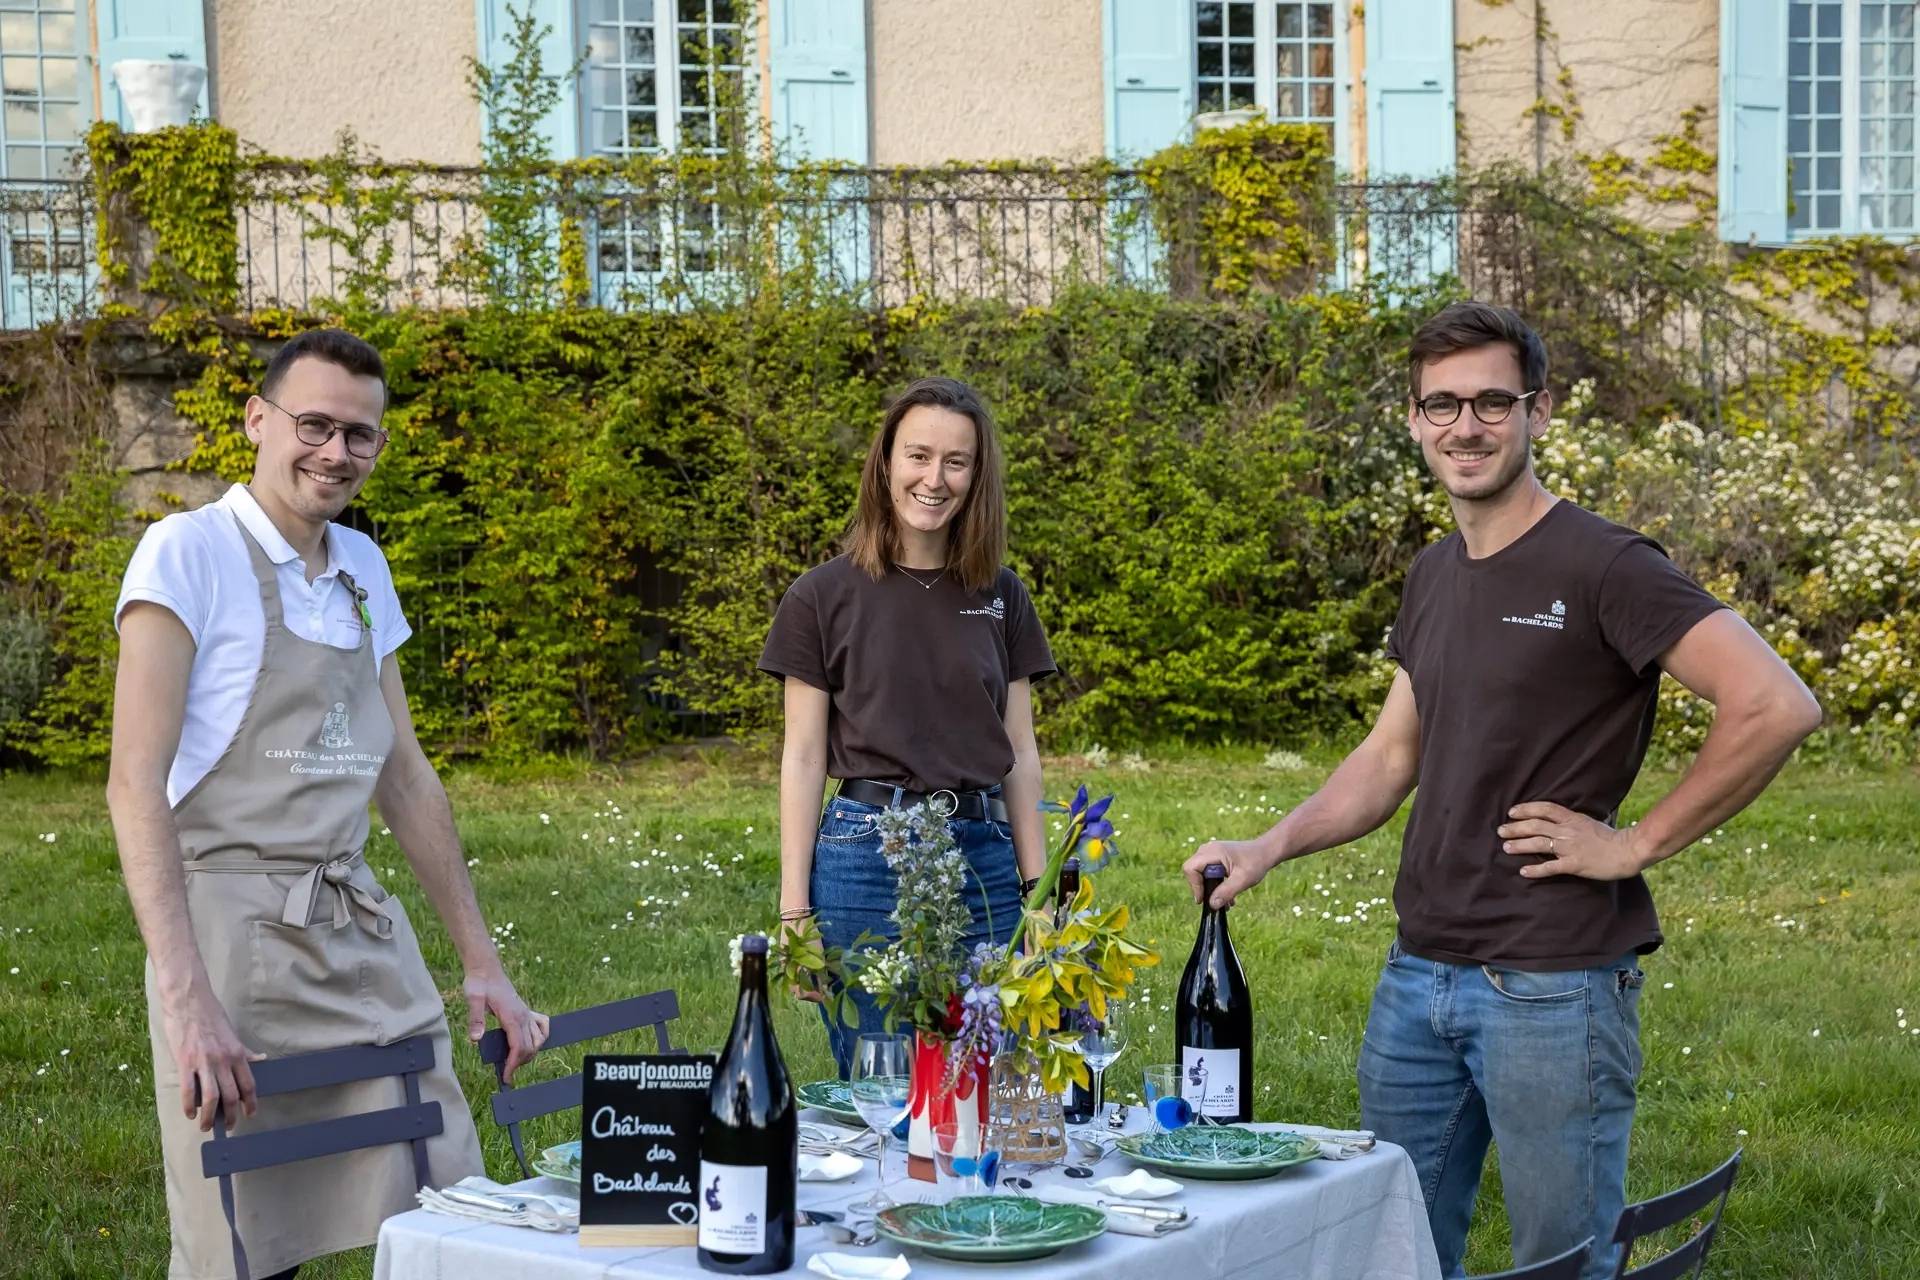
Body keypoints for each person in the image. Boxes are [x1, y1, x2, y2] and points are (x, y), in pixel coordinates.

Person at [1182, 302, 1821, 1280]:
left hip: (1553, 985)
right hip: (1418, 974)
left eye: (1491, 401)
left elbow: (1774, 703)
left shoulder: (1606, 563)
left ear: (1539, 411)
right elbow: (1392, 756)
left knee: (1564, 1262)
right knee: (1392, 1251)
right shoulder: (1435, 574)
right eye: (1442, 403)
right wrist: (1269, 845)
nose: (1465, 425)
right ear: (1413, 419)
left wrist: (1634, 842)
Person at [107, 329, 550, 1279]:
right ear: (257, 421)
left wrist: (482, 963)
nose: (336, 453)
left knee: (452, 1210)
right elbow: (133, 784)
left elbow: (405, 778)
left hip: (355, 930)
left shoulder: (361, 567)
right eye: (314, 425)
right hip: (230, 951)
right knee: (249, 1247)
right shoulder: (185, 554)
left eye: (361, 436)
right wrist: (188, 1004)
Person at [759, 376, 1056, 1078]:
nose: (935, 478)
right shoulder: (821, 597)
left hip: (982, 860)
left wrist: (1040, 896)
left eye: (957, 462)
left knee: (989, 1074)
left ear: (977, 477)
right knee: (880, 1084)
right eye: (918, 456)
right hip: (865, 859)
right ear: (886, 463)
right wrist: (793, 911)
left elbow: (1020, 754)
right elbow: (802, 759)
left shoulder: (1002, 595)